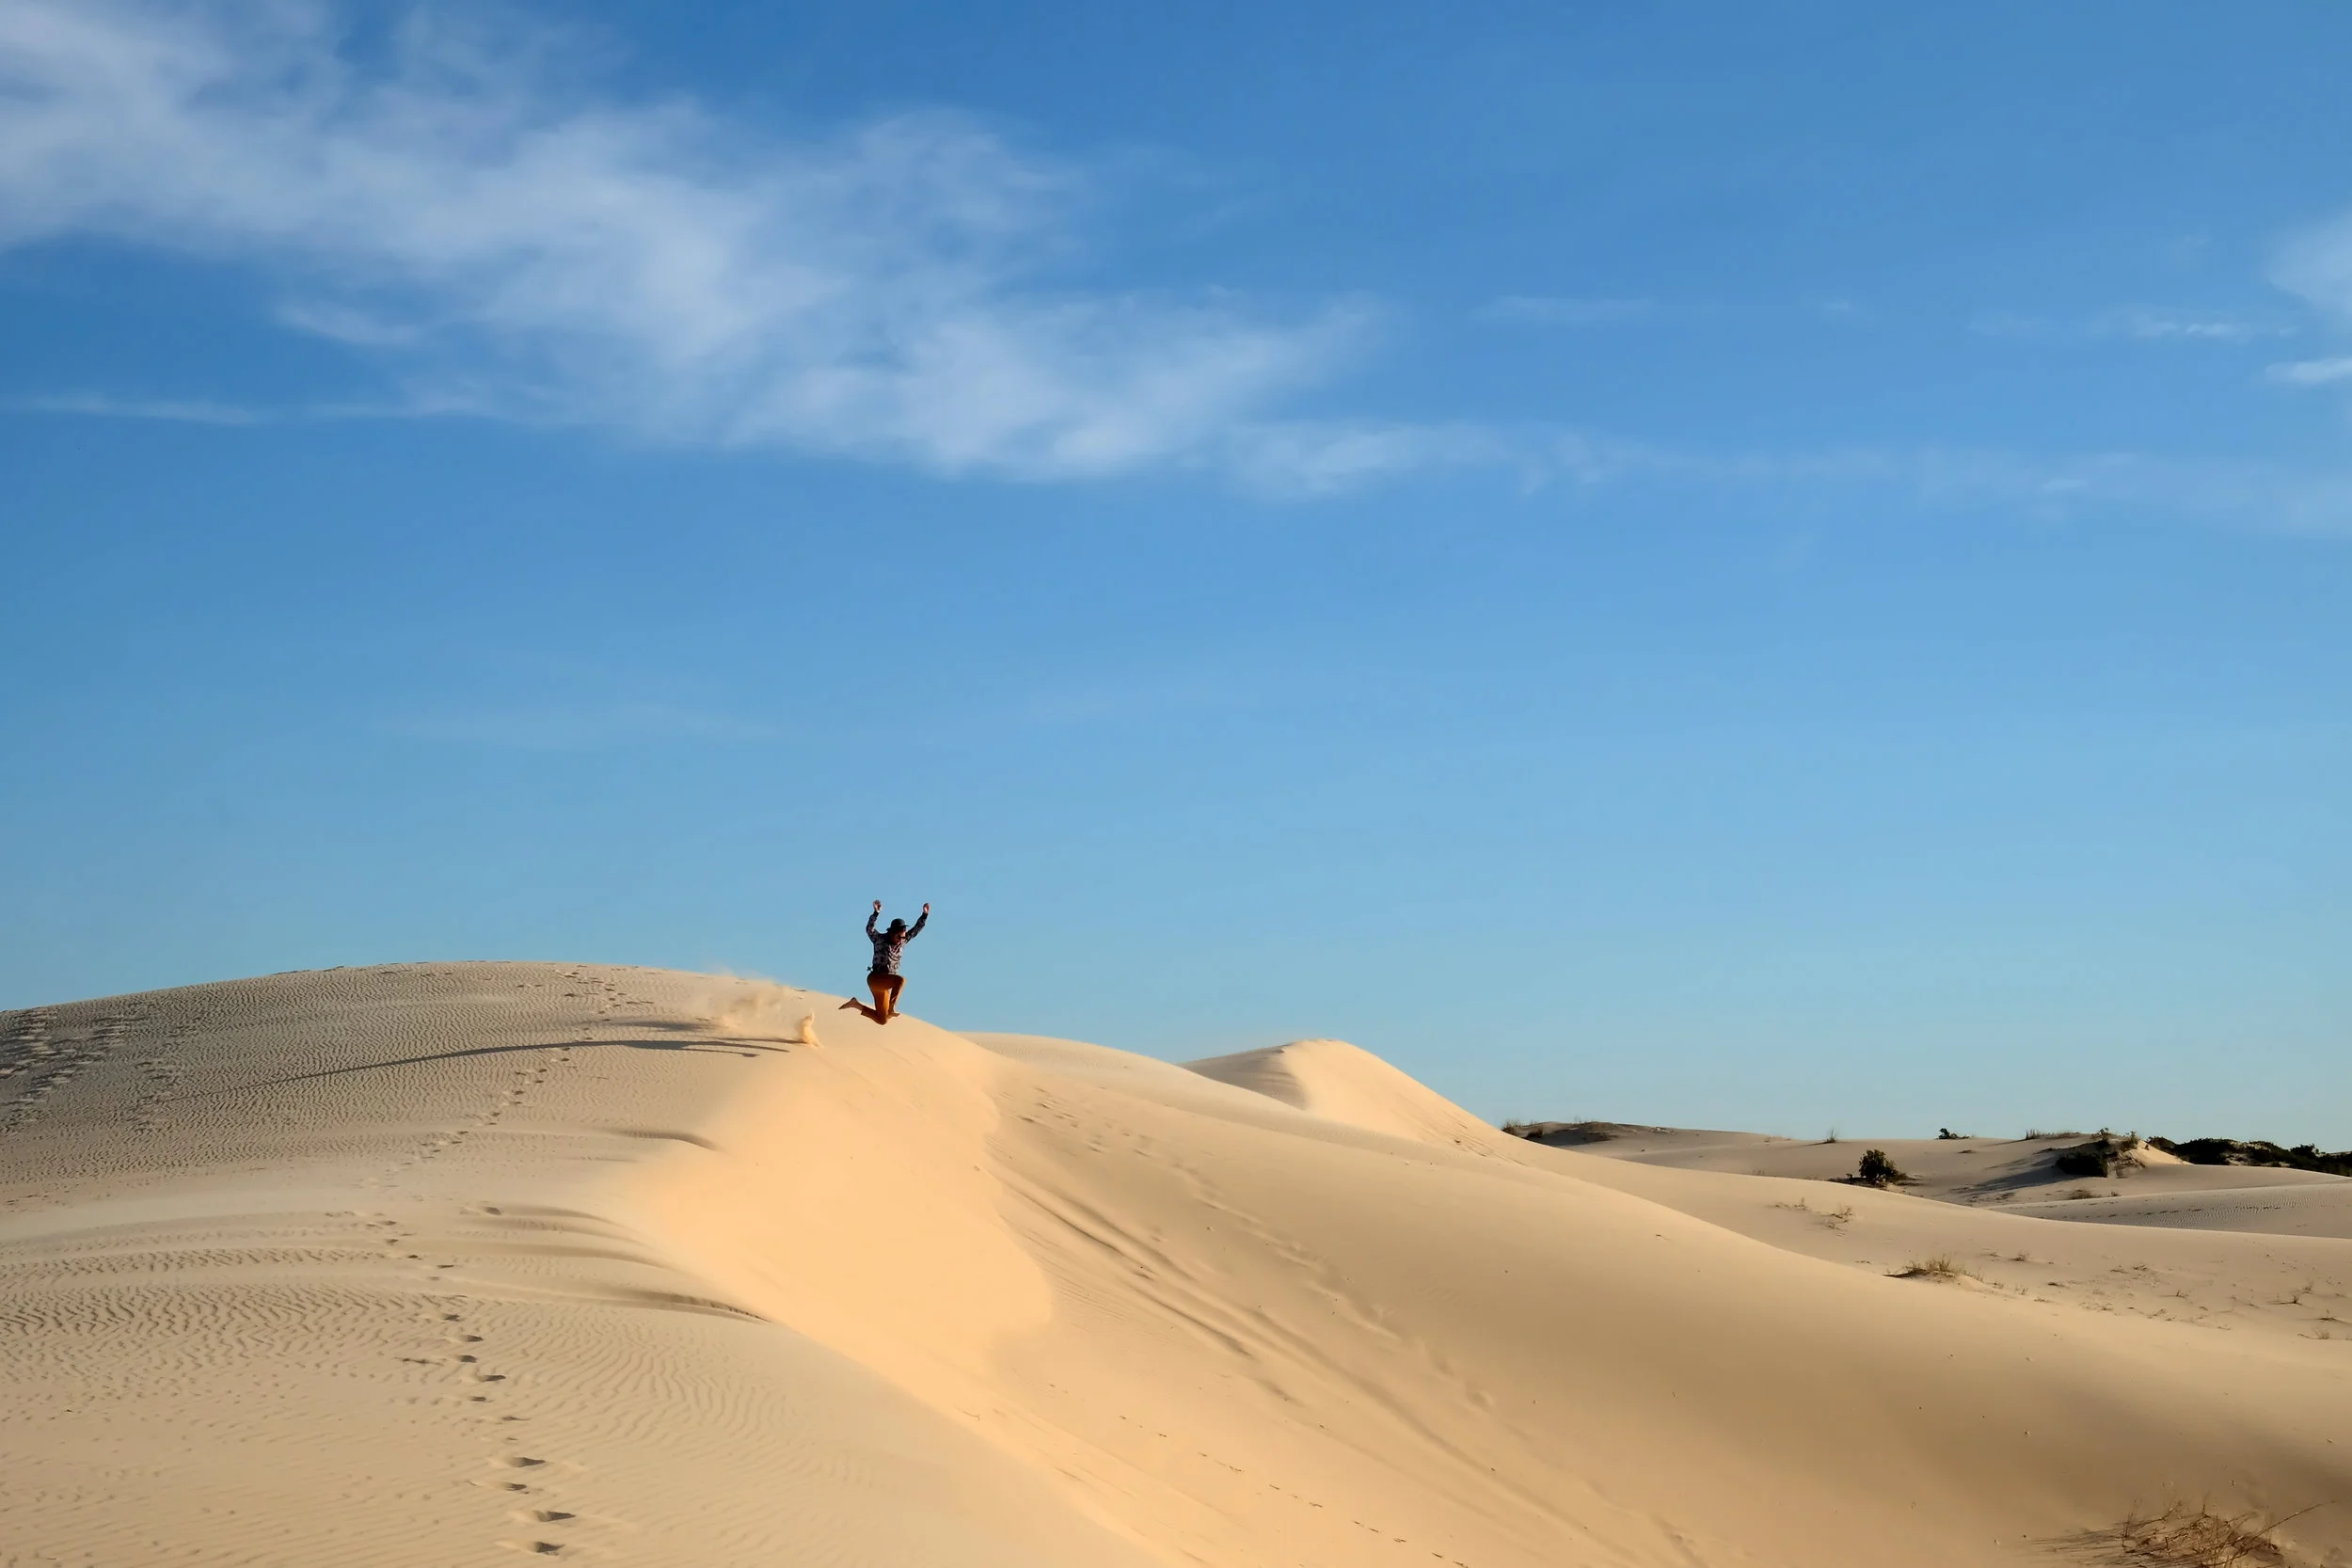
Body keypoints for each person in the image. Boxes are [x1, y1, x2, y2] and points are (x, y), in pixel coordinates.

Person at [839, 900, 928, 1023]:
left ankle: (855, 1004)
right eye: (898, 936)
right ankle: (892, 1007)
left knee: (882, 1020)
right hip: (876, 979)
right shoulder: (879, 939)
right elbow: (869, 929)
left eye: (903, 937)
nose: (901, 940)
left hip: (885, 985)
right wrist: (876, 913)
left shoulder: (903, 941)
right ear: (892, 932)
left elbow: (916, 930)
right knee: (900, 980)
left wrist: (924, 915)